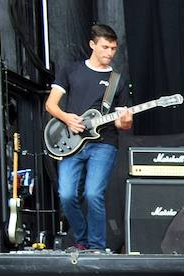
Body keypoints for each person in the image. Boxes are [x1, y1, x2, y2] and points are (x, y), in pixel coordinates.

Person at [45, 23, 132, 251]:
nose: (110, 53)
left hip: (104, 144)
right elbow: (51, 104)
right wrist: (67, 118)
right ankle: (82, 240)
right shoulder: (71, 70)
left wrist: (125, 120)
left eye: (113, 48)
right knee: (65, 195)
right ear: (92, 45)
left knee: (93, 193)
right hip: (72, 142)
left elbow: (121, 122)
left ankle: (96, 246)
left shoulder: (117, 81)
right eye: (105, 47)